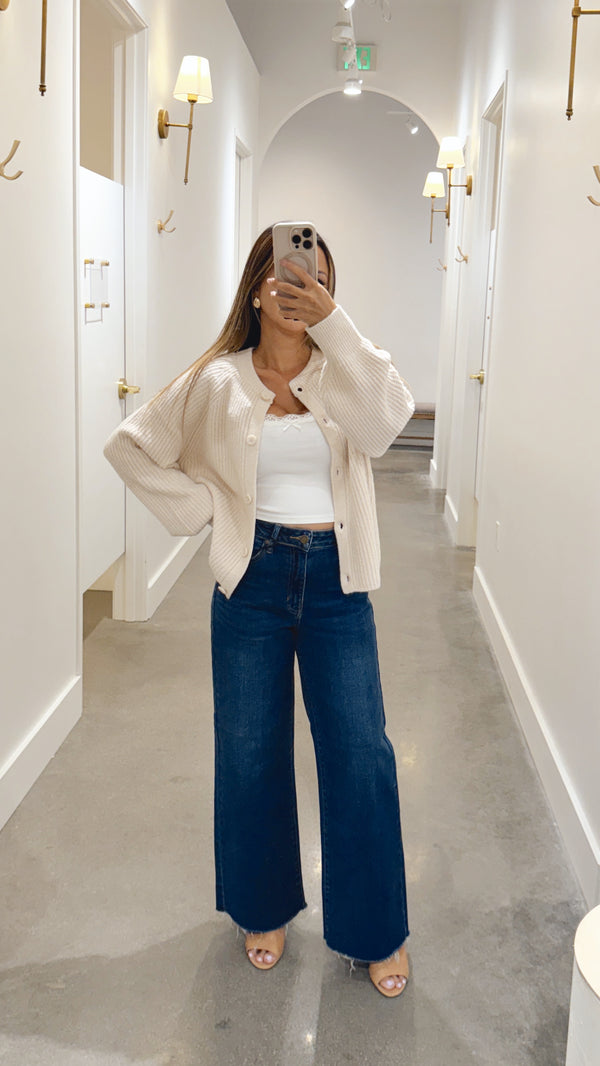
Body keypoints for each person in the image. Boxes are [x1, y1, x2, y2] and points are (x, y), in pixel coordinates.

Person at [104, 224, 415, 998]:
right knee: (248, 752)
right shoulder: (218, 380)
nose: (297, 288)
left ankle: (375, 929)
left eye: (314, 278)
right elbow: (130, 445)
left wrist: (333, 323)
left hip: (338, 580)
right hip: (254, 579)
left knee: (362, 755)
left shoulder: (344, 373)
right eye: (284, 277)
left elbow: (389, 422)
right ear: (256, 287)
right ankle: (262, 907)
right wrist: (203, 506)